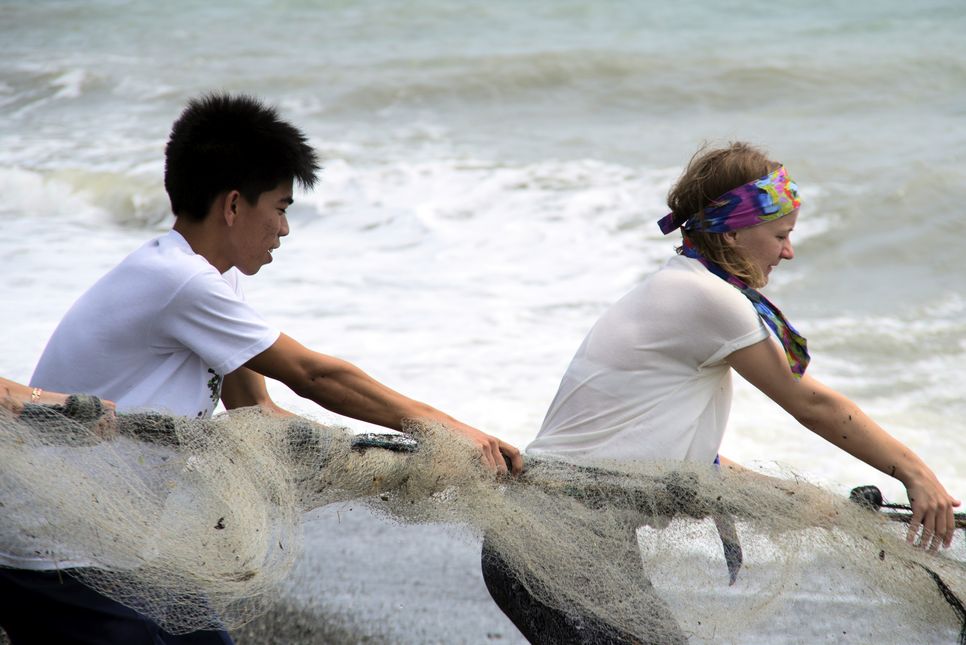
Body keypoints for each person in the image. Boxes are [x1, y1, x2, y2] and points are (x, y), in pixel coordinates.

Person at [0, 93, 522, 645]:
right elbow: (313, 375)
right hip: (53, 549)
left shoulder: (212, 278)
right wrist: (444, 429)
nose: (284, 229)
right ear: (232, 206)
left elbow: (255, 409)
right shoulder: (179, 281)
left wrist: (366, 460)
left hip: (125, 544)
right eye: (280, 208)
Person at [482, 142, 960, 644]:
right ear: (732, 231)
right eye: (781, 234)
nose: (788, 251)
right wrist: (914, 472)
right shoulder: (710, 300)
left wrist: (791, 500)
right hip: (554, 545)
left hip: (550, 539)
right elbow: (812, 405)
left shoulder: (682, 288)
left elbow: (672, 449)